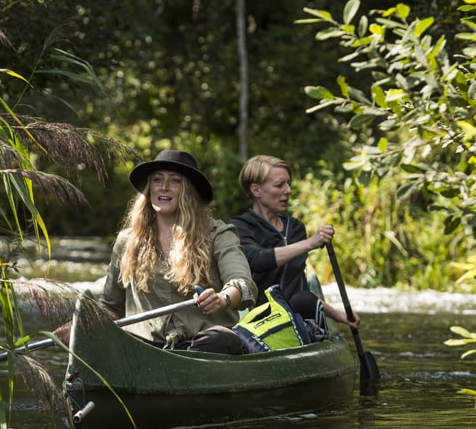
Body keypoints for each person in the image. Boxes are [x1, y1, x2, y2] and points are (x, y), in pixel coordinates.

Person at [99, 149, 258, 354]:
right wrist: (79, 327)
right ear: (149, 188)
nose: (164, 187)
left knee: (222, 339)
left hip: (200, 348)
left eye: (175, 181)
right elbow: (110, 307)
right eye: (157, 180)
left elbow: (244, 285)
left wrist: (222, 299)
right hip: (143, 348)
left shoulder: (218, 234)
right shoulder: (127, 241)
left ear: (189, 191)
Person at [229, 155, 360, 331]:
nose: (288, 190)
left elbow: (301, 288)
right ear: (256, 190)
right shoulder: (240, 226)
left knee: (304, 300)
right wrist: (310, 243)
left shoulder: (296, 228)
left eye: (288, 183)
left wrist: (339, 315)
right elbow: (257, 260)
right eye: (279, 185)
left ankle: (314, 335)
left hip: (297, 316)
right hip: (261, 319)